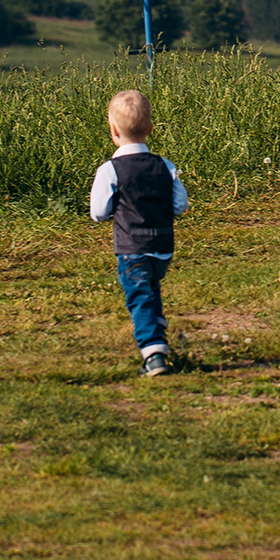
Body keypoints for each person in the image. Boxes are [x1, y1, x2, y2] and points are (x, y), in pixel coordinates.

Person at [87, 89, 191, 376]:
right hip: (163, 247)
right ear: (151, 128)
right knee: (150, 288)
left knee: (139, 296)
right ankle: (156, 324)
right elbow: (180, 205)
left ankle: (153, 352)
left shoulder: (110, 170)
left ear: (113, 129)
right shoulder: (164, 165)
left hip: (131, 247)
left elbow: (98, 212)